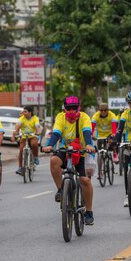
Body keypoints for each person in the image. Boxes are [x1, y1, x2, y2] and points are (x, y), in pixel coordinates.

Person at [43, 96, 96, 225]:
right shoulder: (61, 117)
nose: (71, 111)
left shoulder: (84, 117)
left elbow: (87, 132)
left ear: (79, 108)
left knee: (85, 180)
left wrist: (89, 144)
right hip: (66, 150)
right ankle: (61, 190)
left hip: (82, 151)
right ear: (64, 108)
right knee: (54, 160)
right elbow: (56, 133)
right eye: (68, 108)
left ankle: (88, 211)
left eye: (74, 108)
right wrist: (49, 145)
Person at [12, 106, 42, 176]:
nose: (24, 113)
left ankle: (35, 157)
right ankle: (20, 167)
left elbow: (37, 127)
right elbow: (17, 128)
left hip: (32, 136)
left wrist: (38, 131)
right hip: (24, 136)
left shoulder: (35, 118)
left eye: (25, 111)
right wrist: (14, 134)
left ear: (30, 112)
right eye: (23, 111)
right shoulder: (21, 119)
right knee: (21, 150)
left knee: (34, 144)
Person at [91, 103, 119, 168]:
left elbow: (114, 125)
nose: (103, 112)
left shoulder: (112, 115)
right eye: (101, 110)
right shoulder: (96, 116)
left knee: (113, 143)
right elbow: (92, 126)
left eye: (105, 110)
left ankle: (114, 153)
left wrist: (113, 133)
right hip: (100, 135)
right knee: (100, 152)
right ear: (99, 110)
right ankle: (100, 172)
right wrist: (91, 134)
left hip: (110, 134)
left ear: (108, 110)